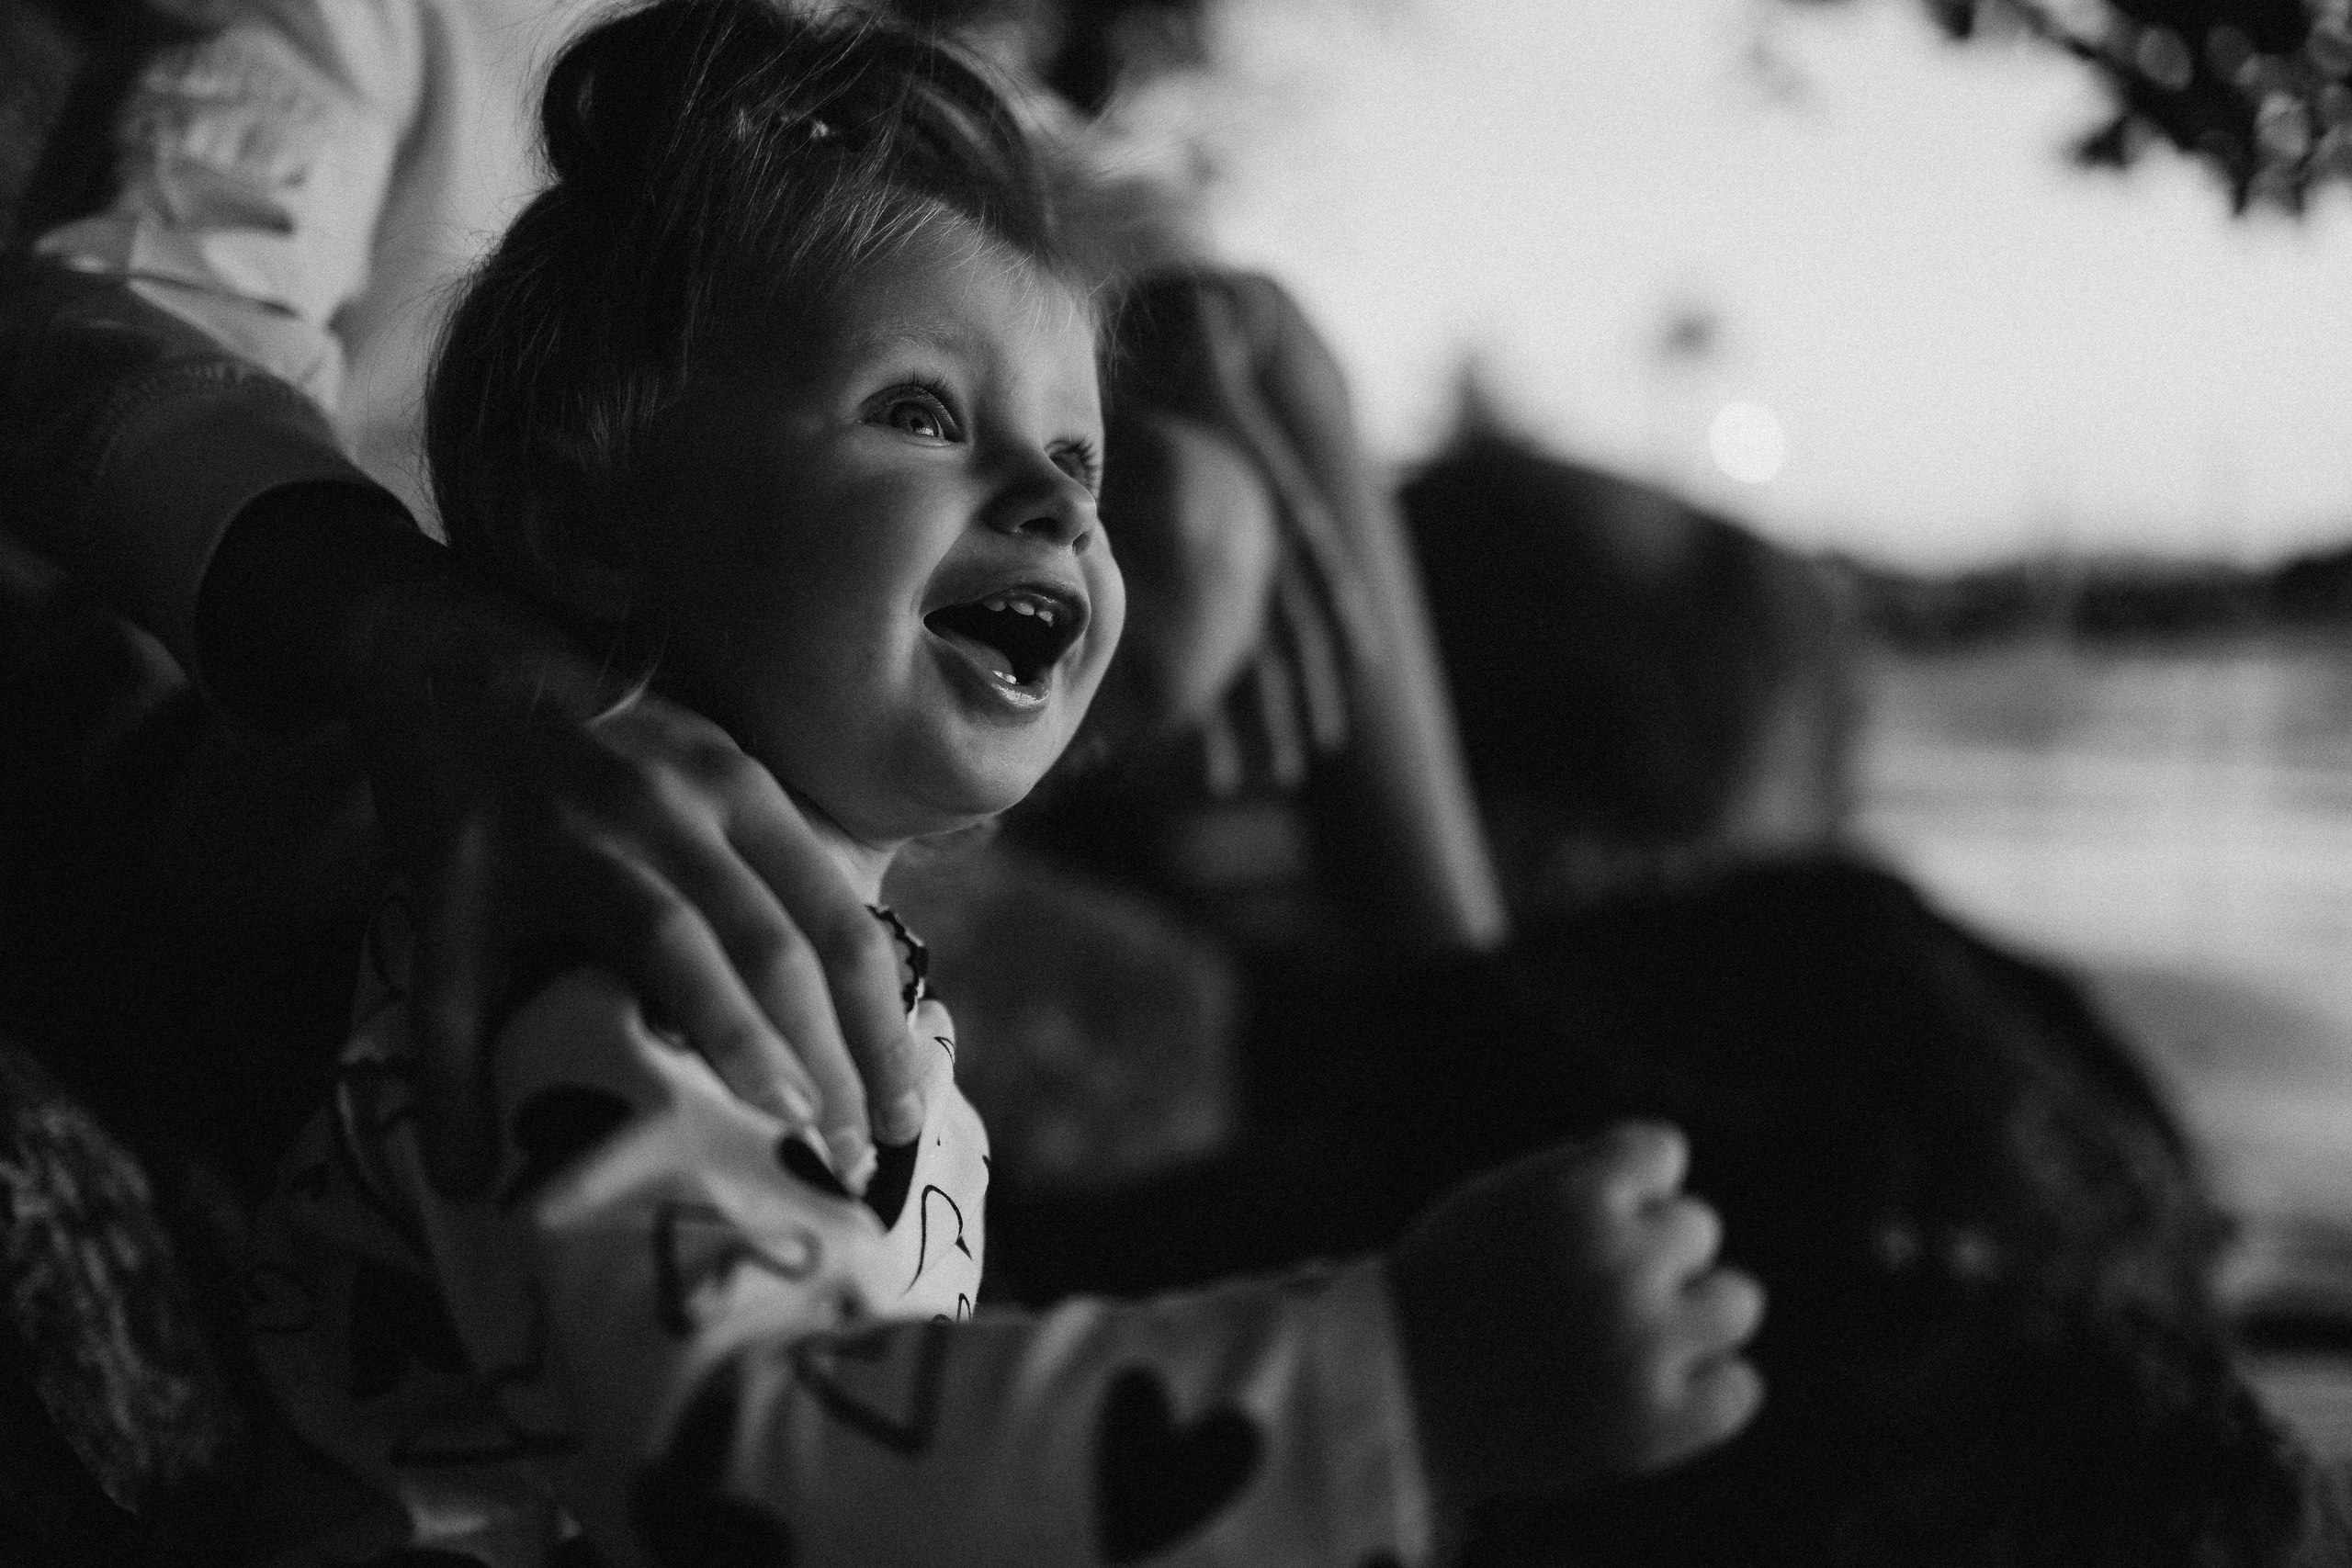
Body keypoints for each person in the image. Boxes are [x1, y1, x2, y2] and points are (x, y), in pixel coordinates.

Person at [243, 7, 1764, 1563]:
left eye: (1079, 460)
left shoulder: (759, 928)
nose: (1051, 500)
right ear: (596, 526)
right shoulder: (633, 947)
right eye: (918, 413)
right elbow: (739, 1469)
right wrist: (1393, 1394)